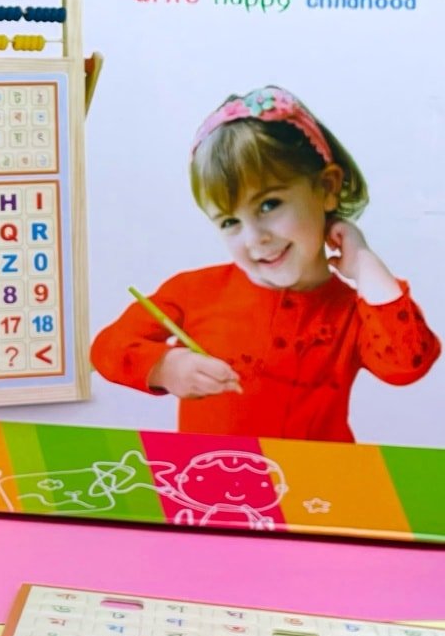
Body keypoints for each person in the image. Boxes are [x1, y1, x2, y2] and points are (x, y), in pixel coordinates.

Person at [90, 85, 439, 440]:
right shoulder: (193, 292)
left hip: (318, 489)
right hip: (212, 482)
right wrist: (164, 367)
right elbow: (105, 348)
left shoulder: (353, 312)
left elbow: (406, 364)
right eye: (230, 222)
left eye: (269, 205)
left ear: (328, 187)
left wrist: (366, 265)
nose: (255, 237)